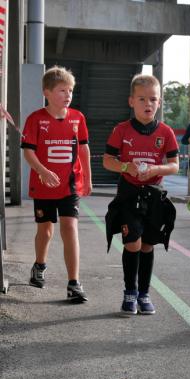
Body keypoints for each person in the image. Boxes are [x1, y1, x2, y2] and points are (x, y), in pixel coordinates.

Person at [103, 74, 179, 317]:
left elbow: (175, 165)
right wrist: (126, 167)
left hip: (154, 196)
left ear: (159, 102)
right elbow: (107, 160)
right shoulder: (121, 130)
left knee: (147, 245)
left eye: (153, 99)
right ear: (131, 101)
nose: (148, 104)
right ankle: (130, 292)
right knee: (132, 242)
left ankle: (144, 293)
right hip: (129, 194)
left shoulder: (166, 132)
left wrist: (156, 169)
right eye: (142, 99)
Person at [21, 65, 92, 303]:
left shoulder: (77, 118)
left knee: (69, 228)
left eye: (70, 90)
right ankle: (40, 264)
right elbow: (28, 152)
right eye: (62, 90)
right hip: (43, 186)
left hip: (69, 185)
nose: (68, 95)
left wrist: (88, 179)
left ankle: (74, 283)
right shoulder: (36, 119)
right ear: (47, 92)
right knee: (46, 230)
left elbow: (83, 148)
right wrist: (43, 171)